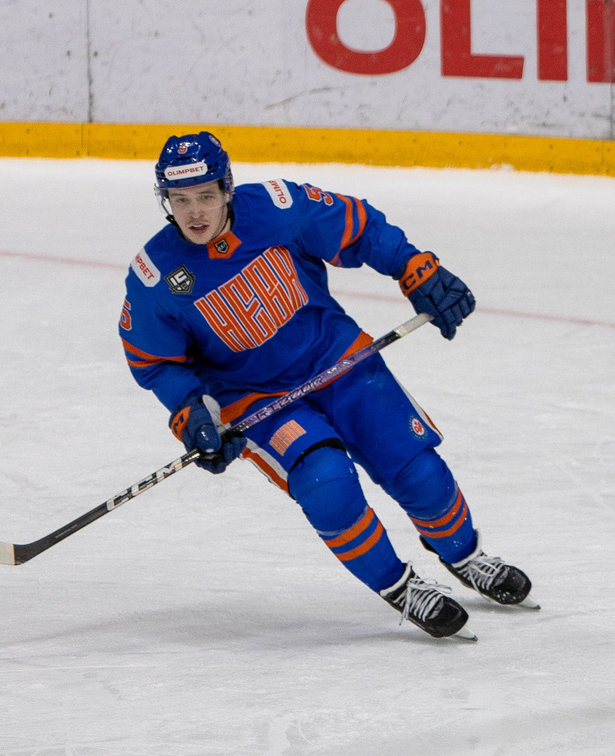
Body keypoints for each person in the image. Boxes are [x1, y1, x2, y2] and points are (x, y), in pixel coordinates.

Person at [118, 132, 529, 639]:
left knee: (417, 469)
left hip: (338, 359)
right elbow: (156, 362)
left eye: (205, 195)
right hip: (255, 399)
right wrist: (190, 411)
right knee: (326, 484)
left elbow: (358, 226)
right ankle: (401, 587)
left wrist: (412, 267)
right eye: (180, 200)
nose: (195, 212)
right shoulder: (154, 276)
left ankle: (466, 556)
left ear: (227, 189)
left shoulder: (278, 208)